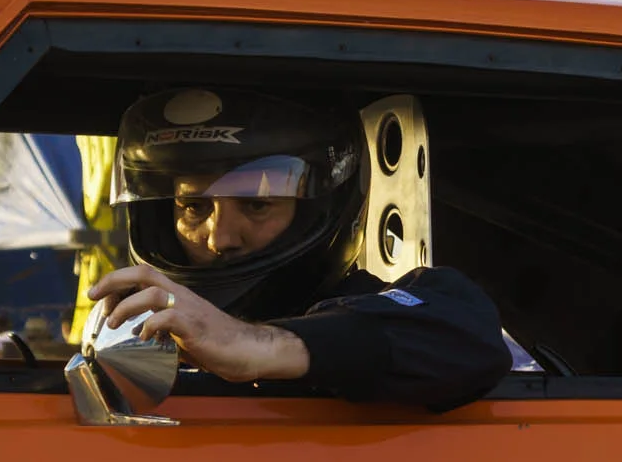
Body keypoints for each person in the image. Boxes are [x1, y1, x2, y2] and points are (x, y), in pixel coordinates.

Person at [87, 88, 510, 410]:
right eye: (193, 207)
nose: (220, 238)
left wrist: (259, 345)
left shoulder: (370, 309)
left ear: (320, 209)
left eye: (256, 205)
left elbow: (471, 341)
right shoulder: (137, 328)